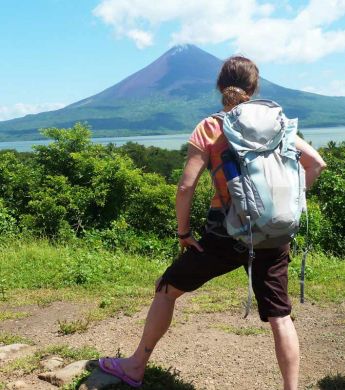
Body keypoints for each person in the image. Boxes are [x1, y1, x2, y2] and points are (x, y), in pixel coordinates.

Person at [99, 56, 327, 390]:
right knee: (280, 314)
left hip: (224, 232)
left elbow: (185, 187)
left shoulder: (210, 126)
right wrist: (285, 205)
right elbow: (316, 164)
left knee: (167, 288)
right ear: (255, 87)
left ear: (220, 86)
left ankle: (135, 367)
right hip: (272, 232)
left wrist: (183, 232)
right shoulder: (276, 124)